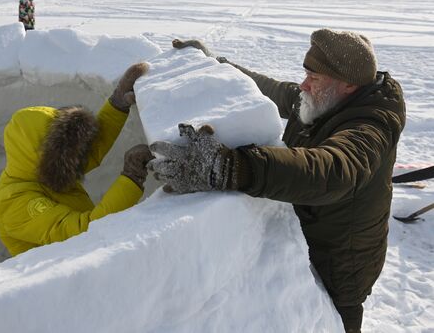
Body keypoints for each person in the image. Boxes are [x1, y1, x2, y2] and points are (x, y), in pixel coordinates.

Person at [149, 30, 406, 333]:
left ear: (348, 84)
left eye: (315, 78)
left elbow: (335, 169)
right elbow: (274, 90)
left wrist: (233, 167)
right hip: (307, 237)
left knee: (336, 323)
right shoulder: (325, 97)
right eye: (306, 74)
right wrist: (216, 65)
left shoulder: (371, 126)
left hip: (341, 264)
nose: (303, 85)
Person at [0, 63, 153, 257]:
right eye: (66, 151)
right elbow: (85, 233)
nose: (77, 157)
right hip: (67, 279)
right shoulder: (14, 203)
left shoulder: (45, 169)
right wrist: (132, 178)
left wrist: (117, 104)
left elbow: (90, 151)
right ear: (46, 156)